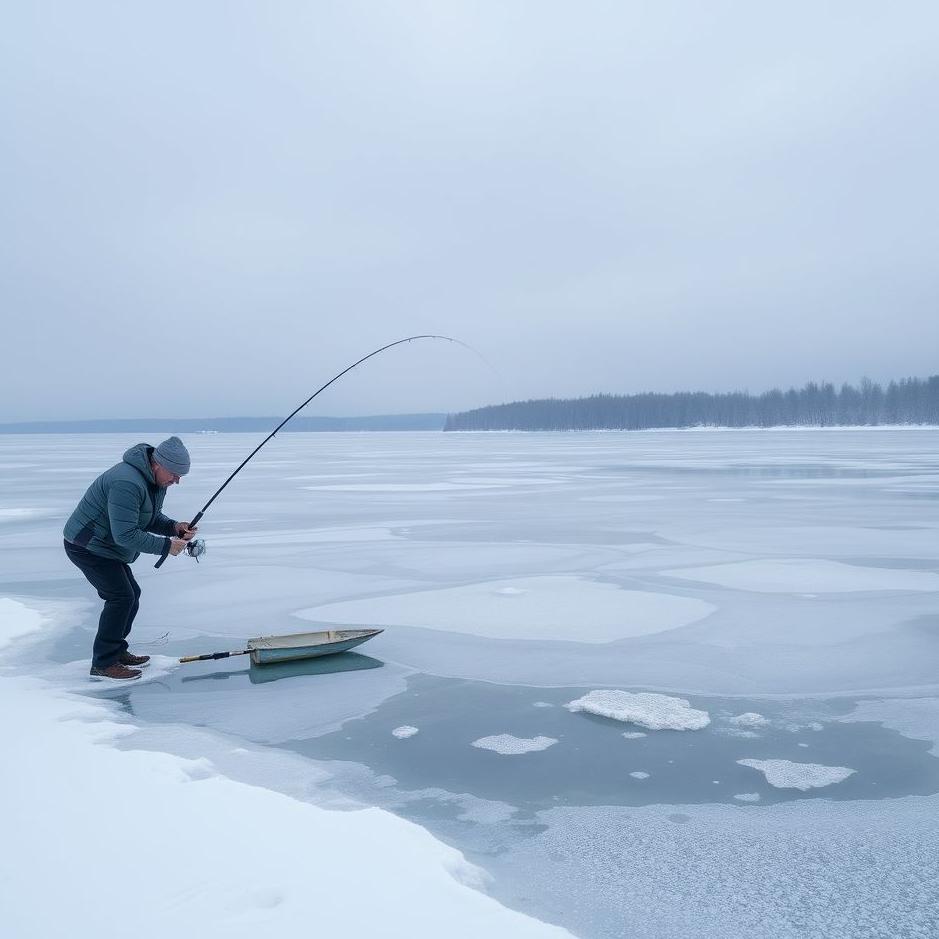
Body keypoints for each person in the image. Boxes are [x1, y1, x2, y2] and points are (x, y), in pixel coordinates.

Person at [63, 436, 197, 681]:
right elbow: (125, 534)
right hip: (87, 546)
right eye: (175, 474)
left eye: (180, 476)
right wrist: (166, 546)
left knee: (131, 594)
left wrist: (175, 527)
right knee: (120, 597)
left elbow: (147, 518)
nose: (177, 481)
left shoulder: (155, 482)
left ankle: (116, 651)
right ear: (157, 464)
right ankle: (103, 663)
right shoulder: (126, 482)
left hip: (107, 546)